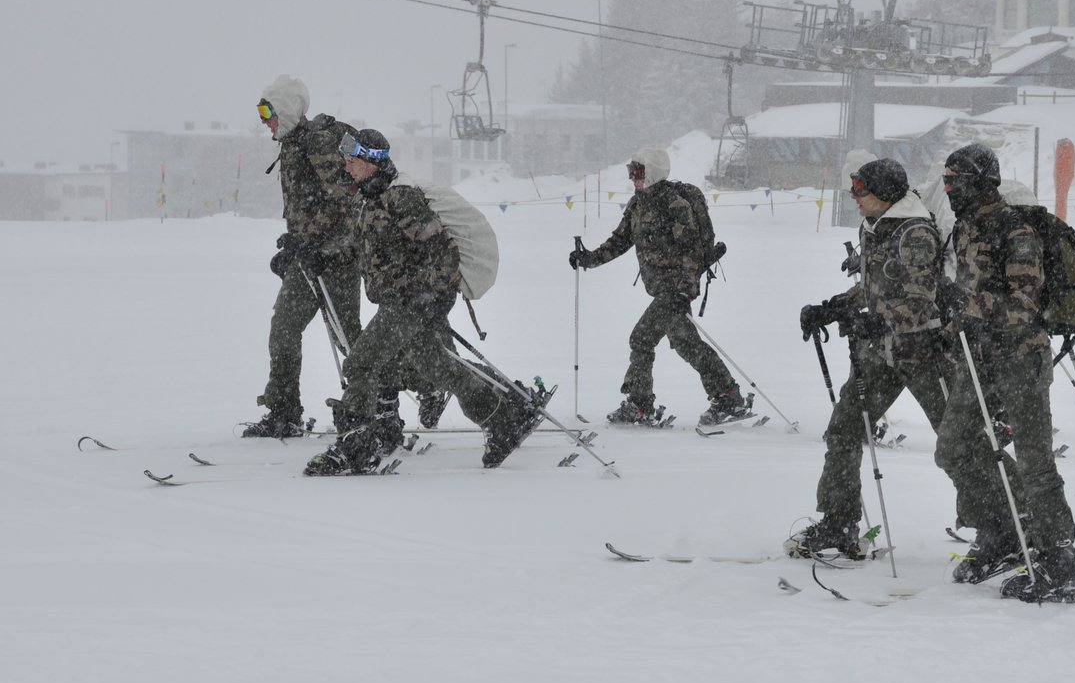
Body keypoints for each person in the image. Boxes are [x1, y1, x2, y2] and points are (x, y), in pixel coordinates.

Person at [304, 130, 541, 475]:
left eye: (353, 159)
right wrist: (318, 256)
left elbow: (441, 250)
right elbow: (359, 248)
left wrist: (429, 296)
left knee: (361, 363)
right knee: (439, 368)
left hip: (414, 300)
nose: (347, 165)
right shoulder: (369, 200)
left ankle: (356, 444)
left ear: (373, 162)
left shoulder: (400, 198)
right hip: (401, 300)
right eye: (346, 158)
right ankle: (503, 417)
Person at [789, 157, 978, 558]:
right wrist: (833, 306)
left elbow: (922, 300)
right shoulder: (874, 226)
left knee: (959, 442)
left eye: (861, 190)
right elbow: (875, 287)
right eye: (853, 189)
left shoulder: (915, 233)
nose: (854, 198)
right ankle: (838, 522)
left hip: (925, 352)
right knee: (844, 429)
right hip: (882, 353)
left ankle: (1005, 522)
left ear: (885, 194)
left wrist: (876, 322)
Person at [934, 144, 1075, 602]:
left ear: (981, 182)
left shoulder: (1016, 230)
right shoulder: (964, 227)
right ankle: (1001, 529)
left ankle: (1058, 558)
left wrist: (966, 304)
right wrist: (948, 322)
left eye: (955, 181)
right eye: (946, 182)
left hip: (1020, 358)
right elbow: (968, 295)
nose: (949, 190)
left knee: (1036, 459)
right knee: (954, 447)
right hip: (976, 356)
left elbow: (1025, 305)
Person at [569, 146, 744, 428]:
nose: (633, 178)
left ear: (653, 173)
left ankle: (640, 404)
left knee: (641, 339)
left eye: (638, 172)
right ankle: (727, 395)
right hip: (663, 290)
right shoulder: (638, 205)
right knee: (687, 343)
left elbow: (691, 252)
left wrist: (683, 291)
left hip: (674, 290)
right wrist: (588, 258)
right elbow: (619, 242)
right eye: (631, 172)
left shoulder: (674, 205)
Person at [244, 76, 361, 438]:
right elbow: (309, 208)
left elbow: (346, 201)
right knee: (284, 329)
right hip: (309, 260)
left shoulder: (318, 144)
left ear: (288, 110)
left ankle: (378, 405)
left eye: (269, 112)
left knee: (352, 342)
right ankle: (284, 411)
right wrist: (295, 243)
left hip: (337, 259)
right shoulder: (292, 146)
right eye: (262, 113)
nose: (265, 121)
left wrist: (318, 245)